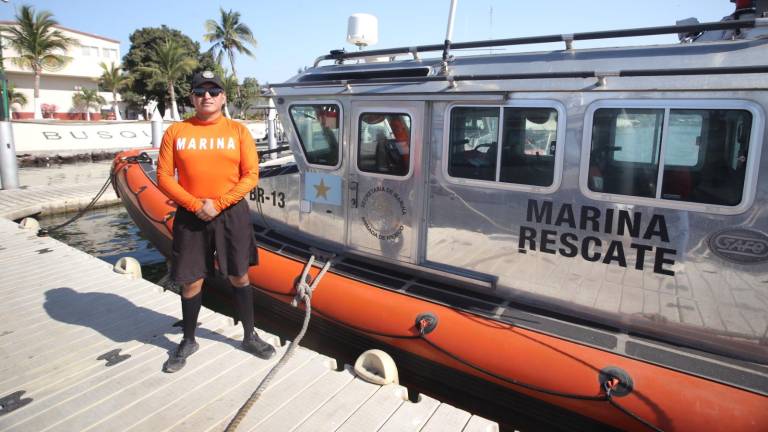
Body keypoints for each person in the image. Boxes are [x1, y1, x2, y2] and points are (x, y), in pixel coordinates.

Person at [156, 70, 276, 373]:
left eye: (213, 91)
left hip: (230, 212)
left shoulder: (238, 131)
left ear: (223, 97)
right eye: (200, 91)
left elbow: (251, 174)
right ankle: (188, 339)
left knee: (239, 275)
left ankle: (249, 335)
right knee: (191, 279)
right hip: (191, 213)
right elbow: (163, 177)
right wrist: (196, 205)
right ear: (191, 97)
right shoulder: (176, 132)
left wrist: (219, 204)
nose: (206, 96)